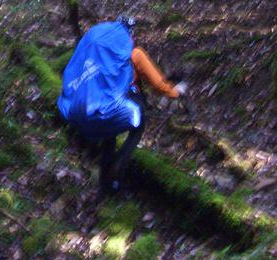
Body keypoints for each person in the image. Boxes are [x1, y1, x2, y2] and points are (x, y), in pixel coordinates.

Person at [57, 16, 186, 194]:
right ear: (129, 34)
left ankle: (106, 185)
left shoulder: (102, 56)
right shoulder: (134, 54)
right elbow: (158, 84)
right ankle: (118, 168)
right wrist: (175, 92)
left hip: (103, 107)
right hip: (127, 103)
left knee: (109, 136)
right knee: (138, 127)